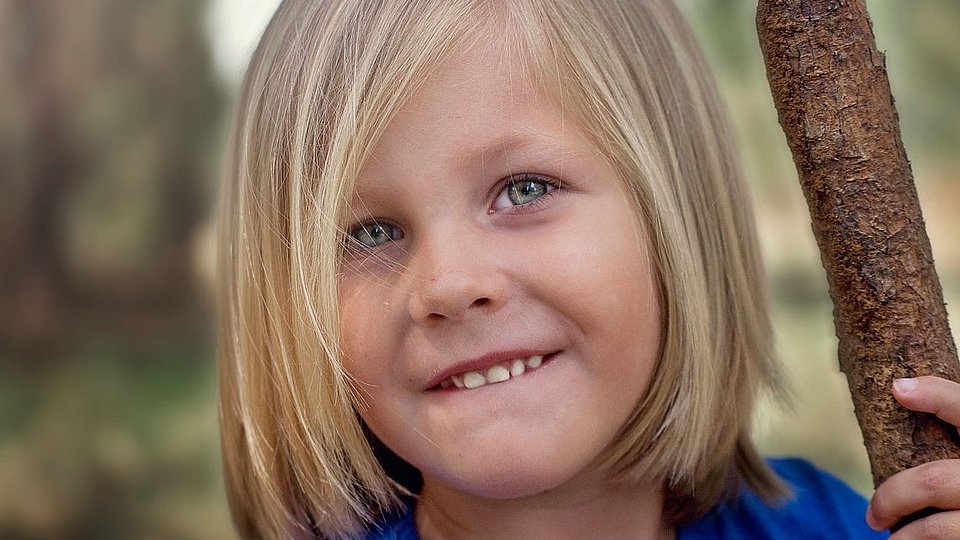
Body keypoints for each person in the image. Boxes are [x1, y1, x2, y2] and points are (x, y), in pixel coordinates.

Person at [216, 0, 960, 538]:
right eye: (370, 232)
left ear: (674, 216)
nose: (447, 283)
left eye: (524, 190)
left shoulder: (848, 527)